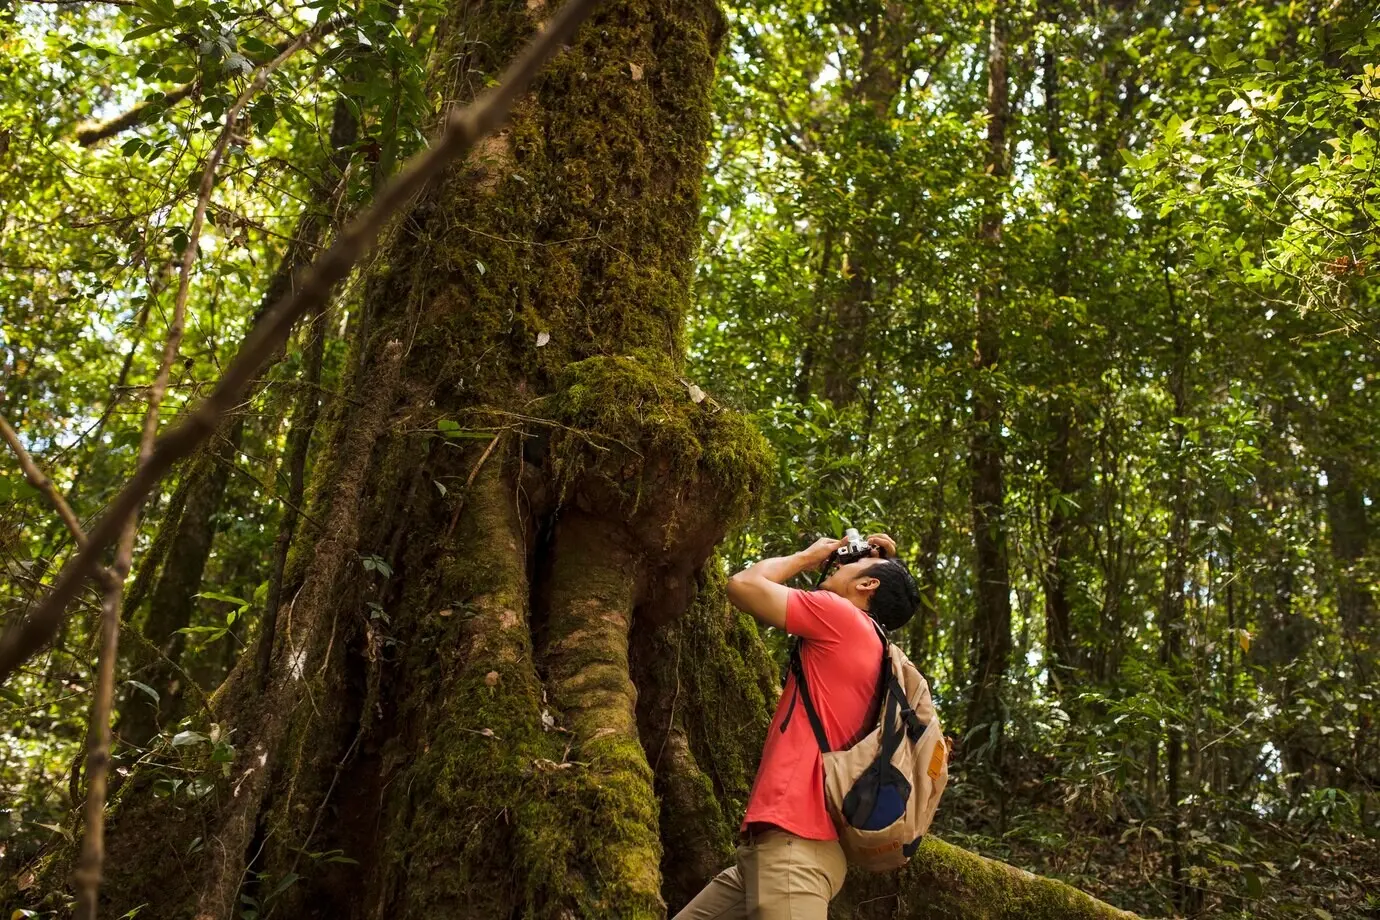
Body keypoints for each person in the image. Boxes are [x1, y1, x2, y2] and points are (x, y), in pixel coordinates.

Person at [673, 532, 922, 920]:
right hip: (774, 851)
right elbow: (889, 587)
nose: (838, 563)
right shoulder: (871, 648)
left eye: (850, 564)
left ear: (867, 584)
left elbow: (743, 585)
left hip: (795, 848)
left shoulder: (842, 618)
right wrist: (886, 565)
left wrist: (808, 557)